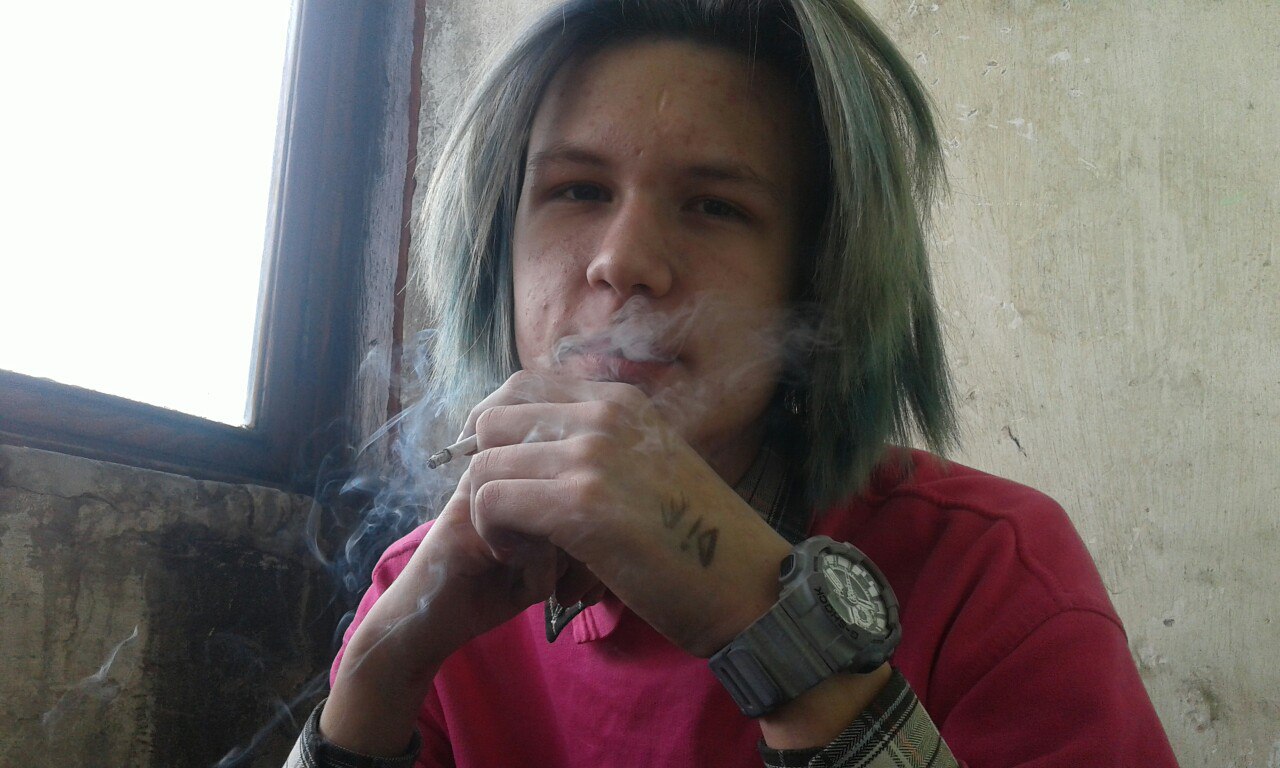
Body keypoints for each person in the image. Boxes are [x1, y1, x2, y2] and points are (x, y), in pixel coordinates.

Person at [287, 1, 1180, 766]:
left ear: (817, 278)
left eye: (715, 206)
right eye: (577, 190)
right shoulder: (434, 586)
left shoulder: (990, 573)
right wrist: (376, 673)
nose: (623, 262)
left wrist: (773, 626)